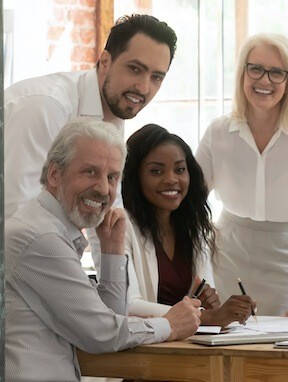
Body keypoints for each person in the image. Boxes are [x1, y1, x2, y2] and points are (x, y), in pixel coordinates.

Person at [4, 120, 201, 381]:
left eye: (111, 177)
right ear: (54, 174)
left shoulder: (50, 229)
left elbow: (108, 318)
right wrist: (170, 325)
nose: (102, 188)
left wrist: (112, 251)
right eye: (89, 172)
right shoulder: (41, 237)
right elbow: (101, 333)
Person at [196, 33, 288, 316]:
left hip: (286, 261)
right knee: (226, 349)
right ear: (242, 73)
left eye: (276, 73)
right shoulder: (218, 131)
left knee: (276, 352)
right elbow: (189, 205)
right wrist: (199, 270)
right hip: (226, 257)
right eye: (255, 68)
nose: (264, 81)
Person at [4, 14, 177, 218]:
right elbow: (16, 216)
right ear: (105, 61)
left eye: (156, 77)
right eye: (135, 69)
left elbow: (108, 209)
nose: (144, 87)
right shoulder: (47, 106)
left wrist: (114, 248)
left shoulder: (113, 112)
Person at [118, 124, 255, 326]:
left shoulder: (194, 227)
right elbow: (128, 305)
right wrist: (206, 316)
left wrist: (213, 306)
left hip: (187, 342)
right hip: (144, 345)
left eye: (180, 170)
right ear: (134, 177)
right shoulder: (120, 226)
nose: (172, 179)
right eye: (156, 171)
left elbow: (205, 300)